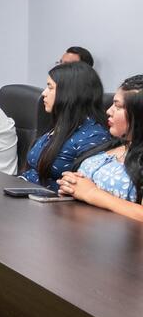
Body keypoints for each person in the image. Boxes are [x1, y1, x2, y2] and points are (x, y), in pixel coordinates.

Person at [57, 75, 143, 221]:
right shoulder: (116, 145)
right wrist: (70, 185)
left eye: (118, 106)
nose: (109, 111)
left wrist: (91, 193)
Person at [20, 62, 109, 190]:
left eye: (50, 88)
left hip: (50, 200)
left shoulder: (93, 136)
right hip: (26, 191)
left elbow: (84, 189)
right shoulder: (62, 125)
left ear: (70, 93)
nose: (44, 93)